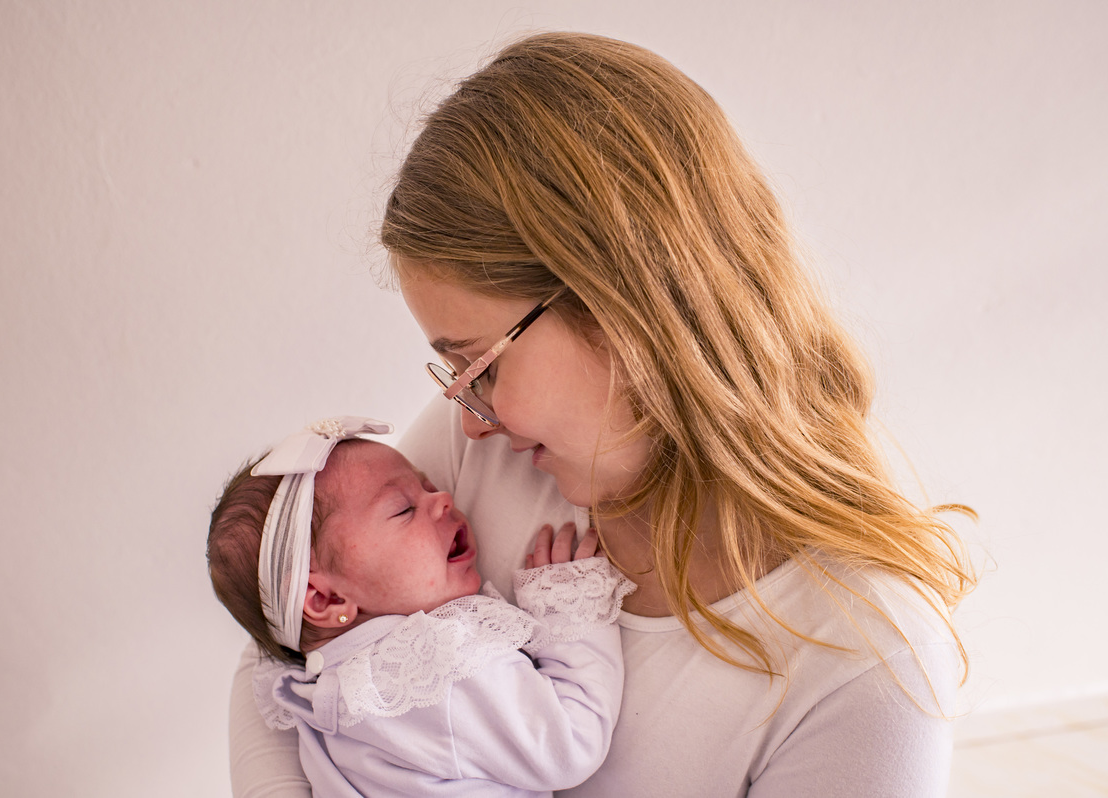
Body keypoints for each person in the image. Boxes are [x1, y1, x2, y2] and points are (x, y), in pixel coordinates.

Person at [228, 32, 978, 797]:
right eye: (454, 376)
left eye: (478, 366)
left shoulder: (866, 662)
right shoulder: (483, 456)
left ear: (624, 302)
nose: (472, 418)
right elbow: (290, 638)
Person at [208, 416, 635, 797]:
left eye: (428, 484)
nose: (444, 498)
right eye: (404, 509)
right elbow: (569, 745)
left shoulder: (326, 685)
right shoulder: (430, 675)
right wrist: (570, 607)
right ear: (326, 599)